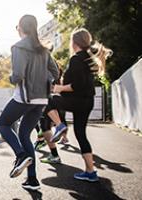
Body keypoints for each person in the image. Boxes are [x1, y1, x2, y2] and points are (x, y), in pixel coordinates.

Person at [0, 15, 59, 191]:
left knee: (3, 124)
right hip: (41, 100)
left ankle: (21, 155)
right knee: (24, 134)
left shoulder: (18, 47)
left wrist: (10, 77)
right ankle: (32, 180)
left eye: (17, 26)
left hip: (25, 97)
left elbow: (18, 76)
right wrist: (46, 84)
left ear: (21, 28)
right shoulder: (44, 50)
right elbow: (55, 72)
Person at [46, 28, 112, 182]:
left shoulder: (76, 59)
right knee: (80, 134)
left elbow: (76, 85)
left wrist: (59, 88)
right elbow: (80, 82)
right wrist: (63, 84)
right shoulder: (88, 58)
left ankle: (60, 126)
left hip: (78, 100)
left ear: (74, 42)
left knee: (47, 101)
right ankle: (90, 171)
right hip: (87, 101)